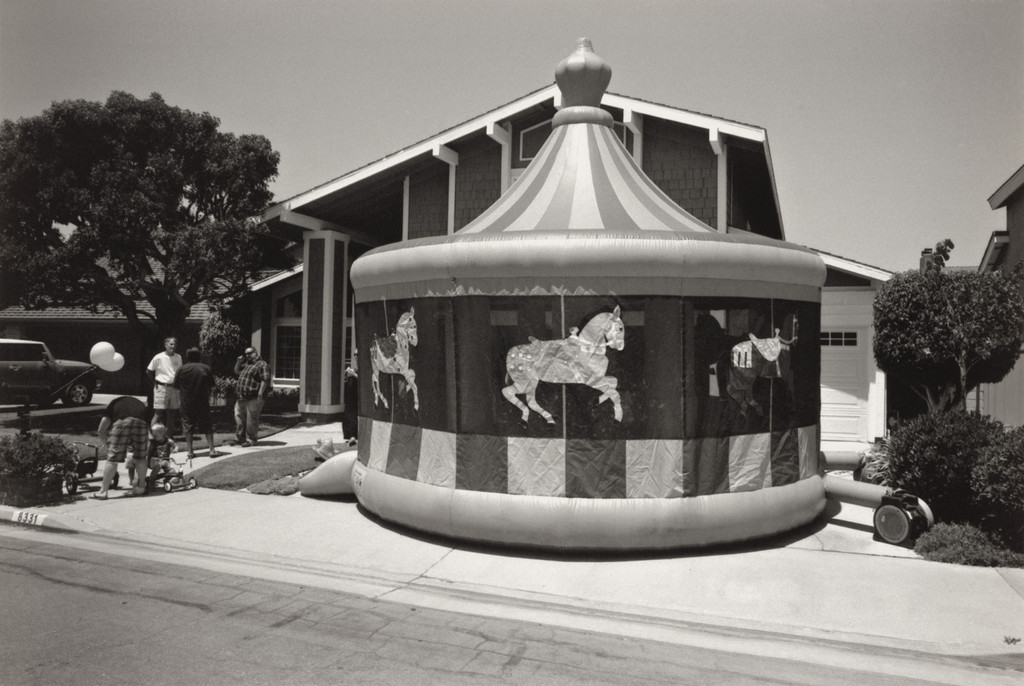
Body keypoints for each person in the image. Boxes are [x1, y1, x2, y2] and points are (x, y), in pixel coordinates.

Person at [93, 395, 150, 499]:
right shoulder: (139, 403)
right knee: (141, 457)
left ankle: (103, 491)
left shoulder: (113, 404)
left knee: (112, 459)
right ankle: (141, 487)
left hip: (122, 422)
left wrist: (107, 445)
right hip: (141, 423)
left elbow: (101, 429)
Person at [174, 347, 219, 458]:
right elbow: (212, 385)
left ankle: (190, 451)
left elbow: (176, 386)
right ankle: (212, 450)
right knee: (207, 425)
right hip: (202, 402)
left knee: (188, 426)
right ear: (199, 356)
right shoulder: (206, 368)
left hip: (186, 402)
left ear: (187, 357)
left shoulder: (181, 369)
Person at [233, 345, 270, 447]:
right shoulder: (247, 365)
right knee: (239, 417)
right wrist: (238, 362)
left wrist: (260, 393)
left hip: (254, 397)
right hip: (241, 397)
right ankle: (239, 438)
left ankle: (251, 440)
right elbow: (236, 372)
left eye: (250, 353)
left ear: (255, 353)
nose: (247, 355)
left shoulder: (262, 364)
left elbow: (265, 380)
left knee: (251, 419)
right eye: (246, 354)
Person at [147, 336, 182, 436]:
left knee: (172, 414)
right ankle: (152, 437)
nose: (173, 346)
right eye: (171, 344)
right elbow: (149, 371)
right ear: (165, 345)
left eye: (175, 344)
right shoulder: (158, 357)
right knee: (158, 413)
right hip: (162, 388)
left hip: (174, 388)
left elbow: (179, 372)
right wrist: (154, 383)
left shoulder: (178, 357)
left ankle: (169, 437)